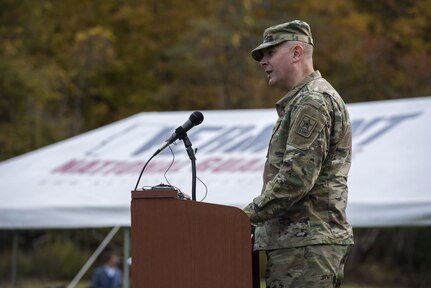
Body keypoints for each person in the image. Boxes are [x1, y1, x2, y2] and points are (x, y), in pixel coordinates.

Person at [243, 20, 354, 288]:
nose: (262, 61)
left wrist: (242, 218)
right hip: (301, 244)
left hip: (307, 246)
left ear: (296, 53)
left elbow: (295, 179)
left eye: (270, 52)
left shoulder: (311, 102)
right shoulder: (302, 101)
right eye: (261, 56)